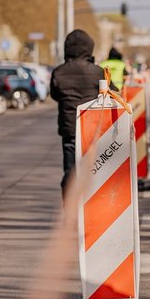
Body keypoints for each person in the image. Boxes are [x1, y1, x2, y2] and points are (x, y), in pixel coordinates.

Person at [50, 29, 109, 192]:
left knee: (70, 171)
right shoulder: (97, 72)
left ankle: (70, 204)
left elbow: (55, 95)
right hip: (93, 129)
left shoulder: (58, 72)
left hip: (70, 128)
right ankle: (91, 201)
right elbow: (110, 94)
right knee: (95, 169)